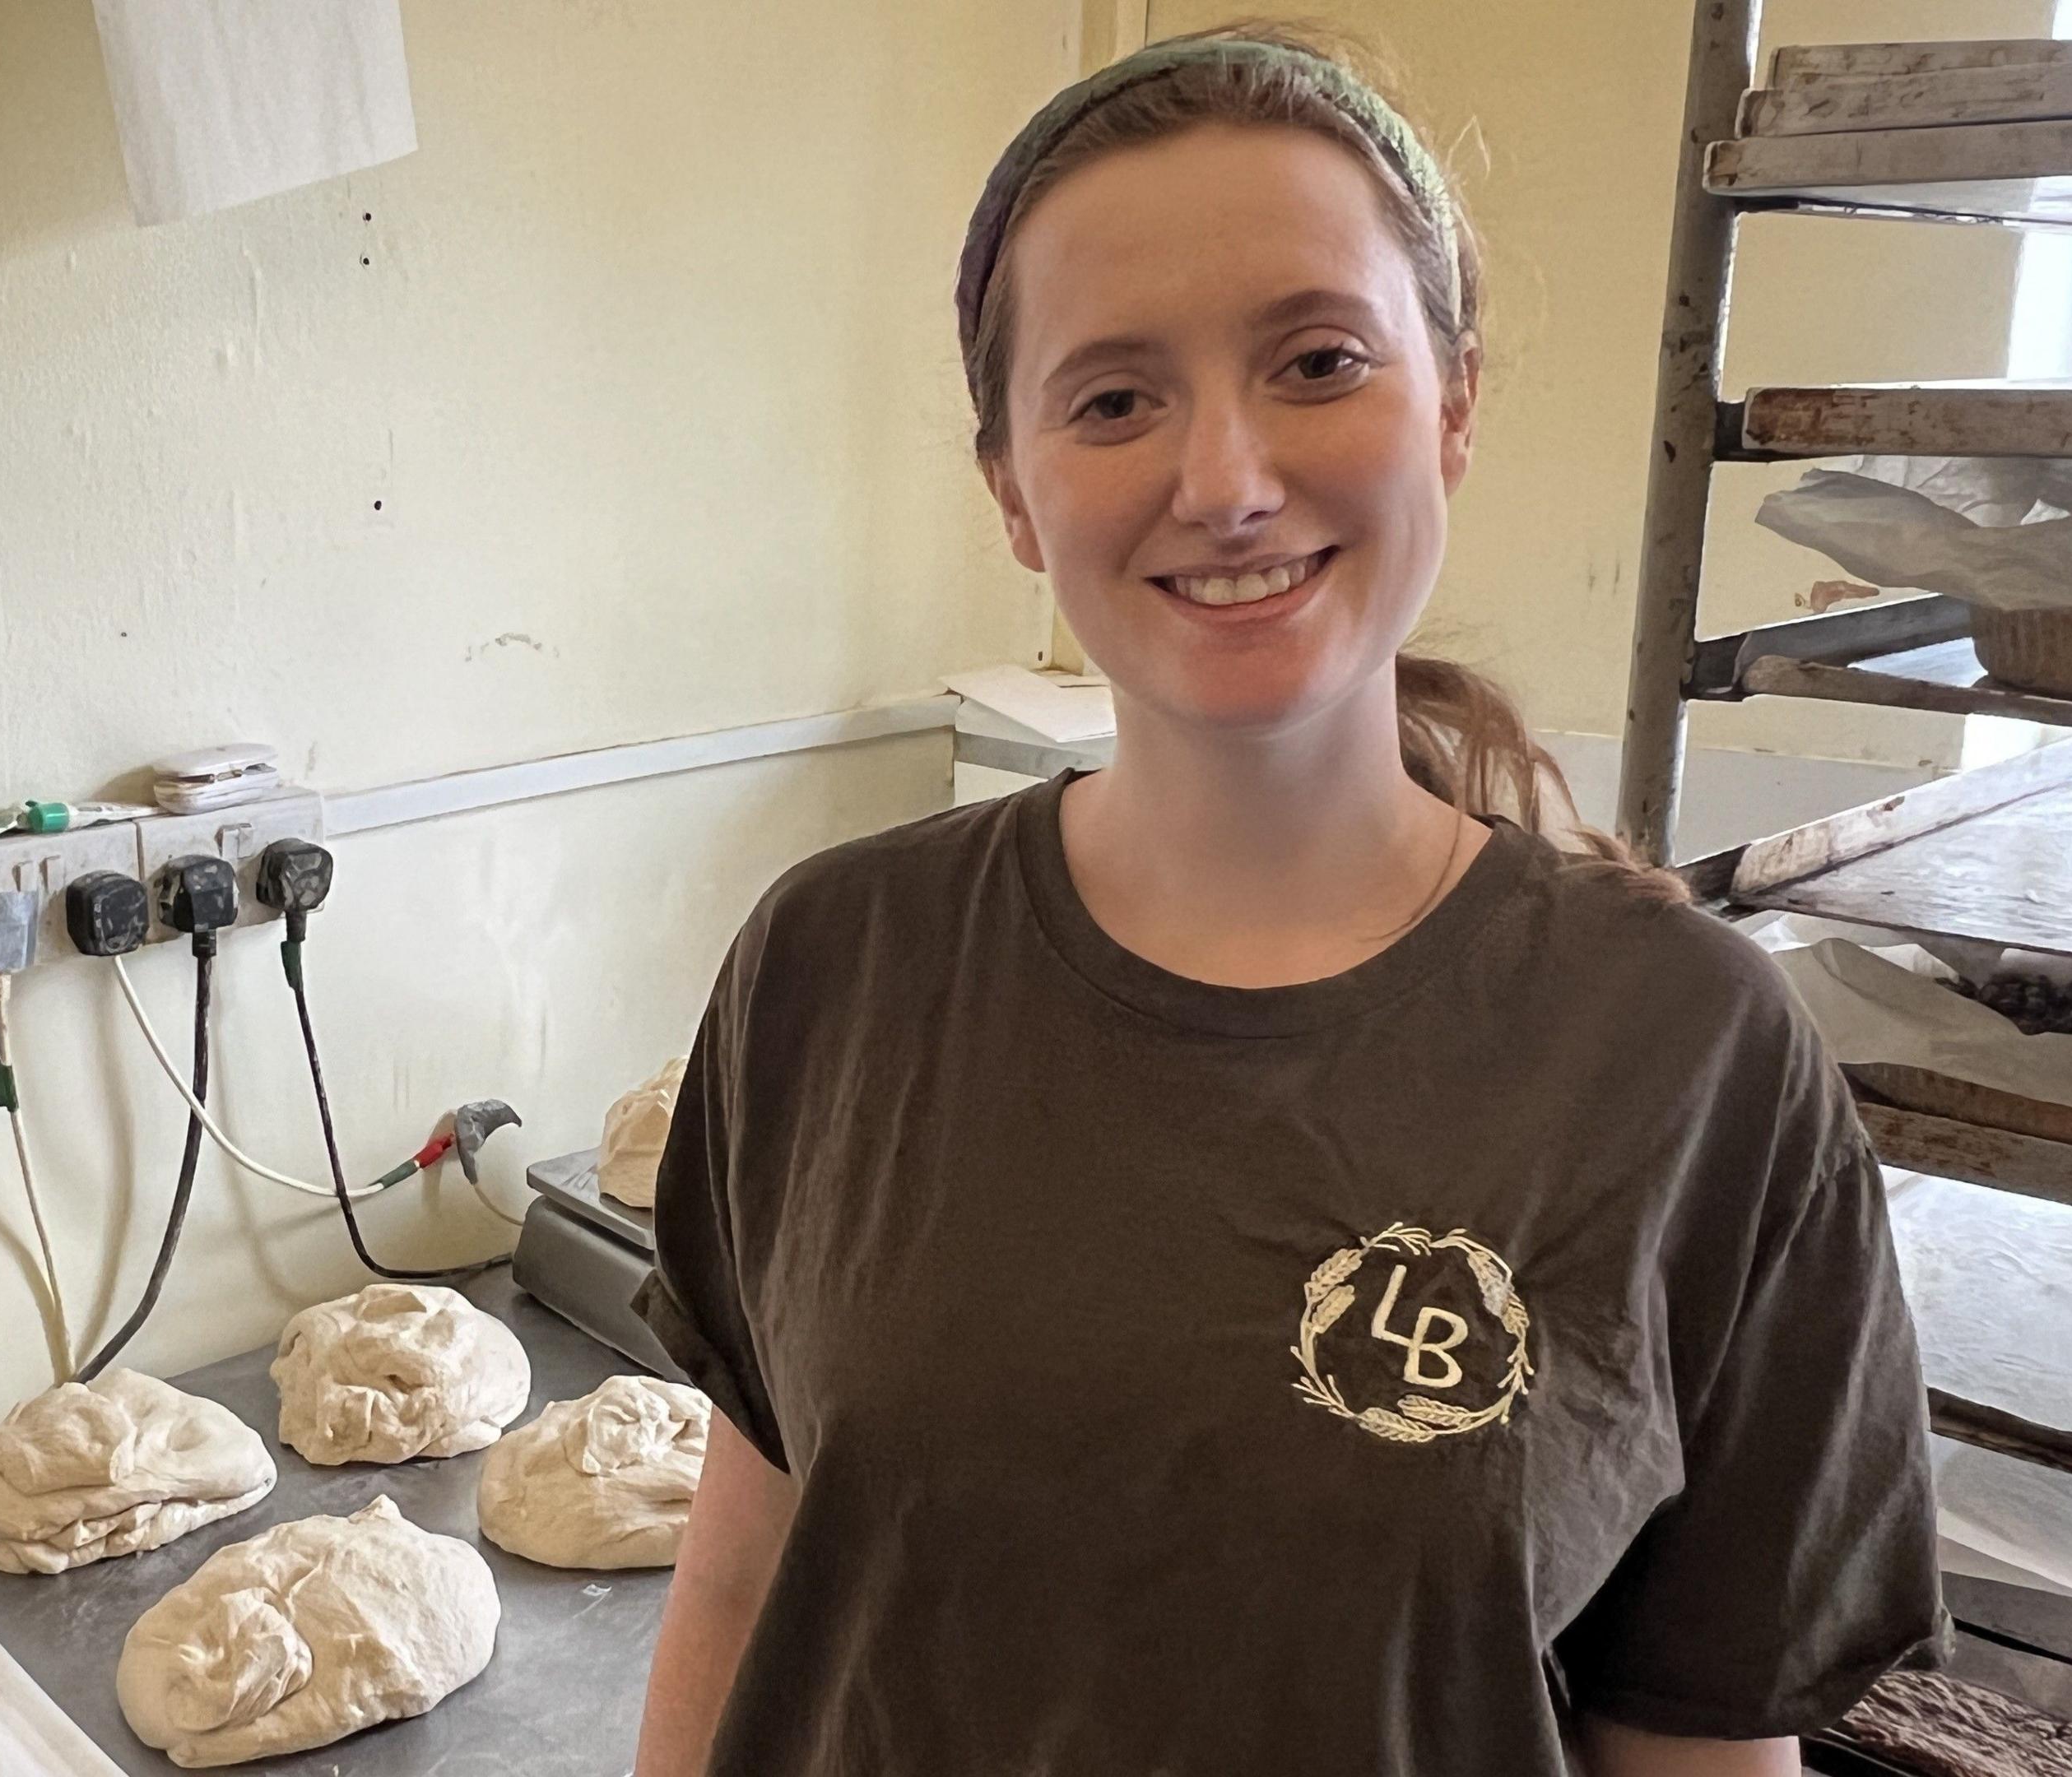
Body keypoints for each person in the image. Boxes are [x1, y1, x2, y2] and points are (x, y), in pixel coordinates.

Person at [634, 28, 1940, 1777]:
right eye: (1112, 398)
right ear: (1015, 490)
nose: (1228, 480)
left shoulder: (1691, 1058)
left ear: (1452, 404)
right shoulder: (832, 966)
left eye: (1319, 361)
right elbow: (739, 1593)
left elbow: (1696, 1742)